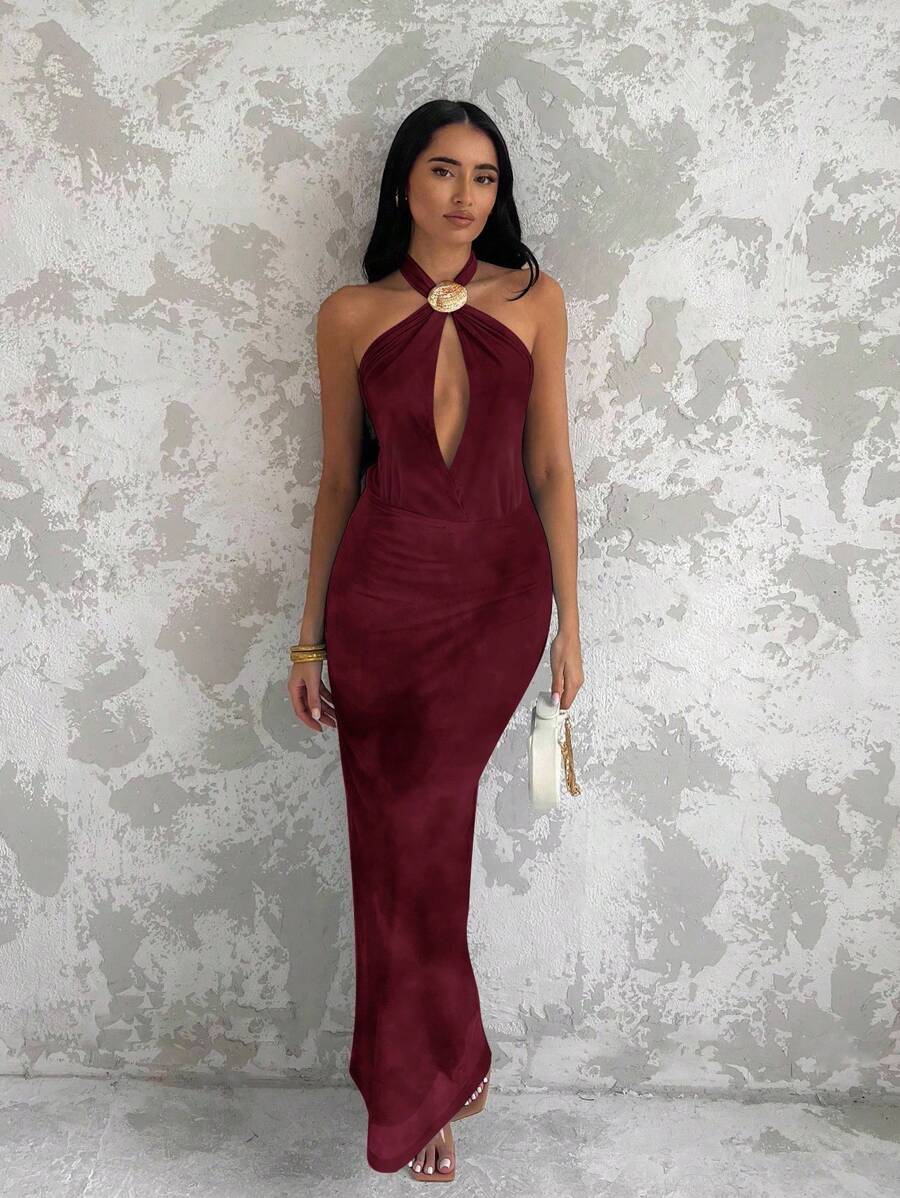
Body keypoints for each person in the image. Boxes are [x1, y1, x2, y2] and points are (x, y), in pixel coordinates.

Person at [288, 98, 583, 1181]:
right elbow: (337, 480)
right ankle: (431, 1074)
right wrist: (309, 640)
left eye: (486, 177)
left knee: (428, 826)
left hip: (499, 598)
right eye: (446, 171)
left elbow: (551, 468)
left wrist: (572, 626)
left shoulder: (537, 298)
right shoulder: (349, 313)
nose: (466, 196)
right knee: (394, 841)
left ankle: (437, 1064)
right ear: (404, 183)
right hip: (382, 597)